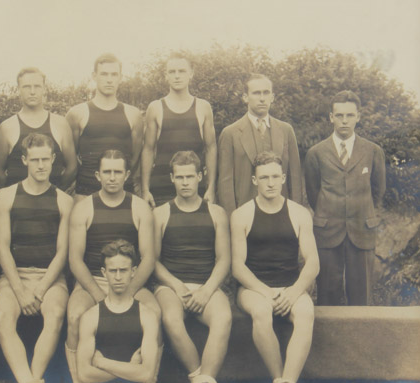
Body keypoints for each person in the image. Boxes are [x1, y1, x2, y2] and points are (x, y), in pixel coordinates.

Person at [49, 240, 183, 383]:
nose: (118, 277)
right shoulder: (91, 316)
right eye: (113, 271)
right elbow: (84, 375)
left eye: (123, 270)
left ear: (133, 272)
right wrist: (130, 368)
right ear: (104, 272)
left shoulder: (147, 315)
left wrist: (103, 362)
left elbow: (146, 374)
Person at [230, 151, 319, 383]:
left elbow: (313, 262)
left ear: (283, 178)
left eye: (275, 177)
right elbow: (238, 267)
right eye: (264, 177)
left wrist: (293, 292)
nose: (270, 183)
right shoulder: (241, 214)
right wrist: (267, 293)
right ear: (255, 180)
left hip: (290, 286)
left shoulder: (299, 213)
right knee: (261, 312)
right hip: (255, 288)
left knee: (306, 313)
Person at [0, 133, 74, 383]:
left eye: (46, 159)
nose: (40, 165)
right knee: (3, 316)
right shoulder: (6, 196)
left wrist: (39, 290)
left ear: (53, 160)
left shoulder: (64, 201)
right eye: (34, 159)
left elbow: (63, 252)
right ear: (25, 161)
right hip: (15, 276)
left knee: (53, 314)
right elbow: (2, 247)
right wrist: (19, 289)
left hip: (50, 279)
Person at [65, 150, 159, 383]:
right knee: (75, 315)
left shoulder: (139, 208)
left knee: (156, 313)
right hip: (93, 282)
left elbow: (148, 258)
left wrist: (126, 293)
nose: (112, 177)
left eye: (118, 172)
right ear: (97, 175)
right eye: (107, 172)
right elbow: (75, 259)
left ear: (127, 175)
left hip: (130, 282)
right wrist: (98, 295)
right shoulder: (84, 208)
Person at [152, 151, 233, 383]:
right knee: (171, 319)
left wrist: (206, 290)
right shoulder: (161, 213)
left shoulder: (216, 213)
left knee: (223, 318)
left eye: (190, 177)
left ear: (200, 177)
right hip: (171, 286)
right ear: (172, 178)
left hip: (206, 285)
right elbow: (153, 261)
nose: (185, 182)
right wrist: (176, 285)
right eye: (180, 177)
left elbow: (224, 259)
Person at [303, 90, 386, 306]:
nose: (344, 121)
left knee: (361, 295)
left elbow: (377, 191)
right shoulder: (316, 153)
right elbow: (314, 193)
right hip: (328, 231)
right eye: (339, 115)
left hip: (362, 230)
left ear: (358, 116)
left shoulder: (373, 151)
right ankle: (329, 341)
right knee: (327, 294)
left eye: (350, 115)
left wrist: (365, 213)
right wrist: (329, 212)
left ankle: (362, 339)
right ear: (331, 117)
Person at [216, 74, 305, 214]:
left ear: (272, 97)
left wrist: (296, 213)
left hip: (282, 213)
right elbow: (225, 183)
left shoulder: (286, 130)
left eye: (266, 93)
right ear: (245, 97)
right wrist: (232, 219)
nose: (262, 98)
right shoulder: (230, 133)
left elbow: (295, 177)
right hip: (245, 214)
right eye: (256, 93)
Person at [140, 54, 218, 207]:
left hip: (195, 188)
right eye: (172, 71)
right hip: (162, 189)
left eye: (182, 71)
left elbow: (211, 148)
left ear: (191, 74)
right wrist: (145, 189)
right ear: (166, 76)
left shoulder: (203, 107)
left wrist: (211, 188)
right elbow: (148, 150)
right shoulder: (155, 107)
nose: (177, 76)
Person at [66, 53, 144, 195]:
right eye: (104, 74)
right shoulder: (77, 113)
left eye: (114, 75)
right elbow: (72, 159)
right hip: (86, 193)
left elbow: (134, 159)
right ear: (94, 76)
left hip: (123, 195)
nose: (109, 80)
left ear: (120, 78)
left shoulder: (133, 114)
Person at [0, 67, 77, 189]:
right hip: (18, 204)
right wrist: (14, 196)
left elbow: (72, 167)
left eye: (37, 86)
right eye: (26, 87)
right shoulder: (6, 127)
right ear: (18, 90)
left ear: (44, 89)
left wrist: (57, 192)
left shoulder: (60, 124)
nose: (32, 91)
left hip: (52, 202)